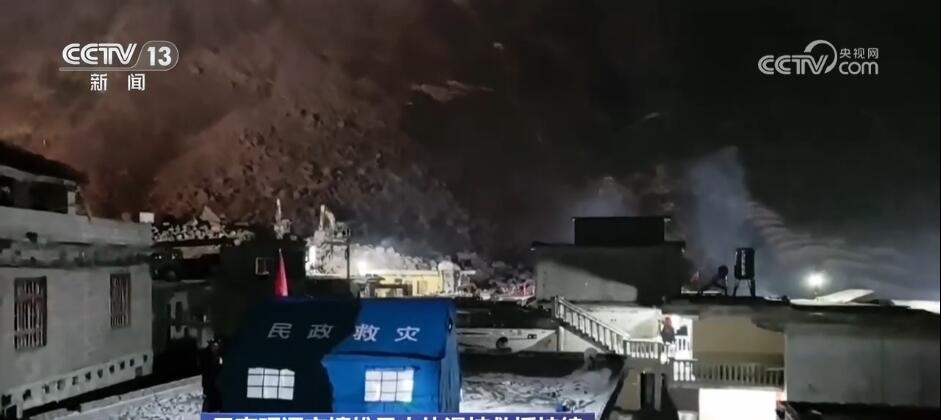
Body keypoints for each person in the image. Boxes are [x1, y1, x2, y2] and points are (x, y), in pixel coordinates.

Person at [199, 338, 224, 412]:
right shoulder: (206, 356)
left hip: (218, 387)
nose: (215, 347)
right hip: (210, 386)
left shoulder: (222, 355)